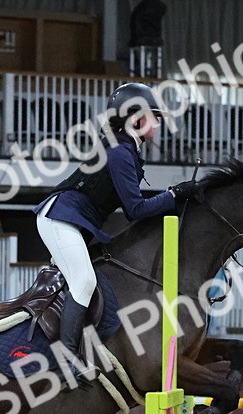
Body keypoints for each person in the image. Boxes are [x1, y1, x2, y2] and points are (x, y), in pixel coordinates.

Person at [34, 82, 200, 377]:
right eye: (154, 116)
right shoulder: (120, 152)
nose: (159, 123)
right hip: (59, 218)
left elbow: (135, 208)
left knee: (90, 279)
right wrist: (174, 195)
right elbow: (135, 209)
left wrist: (174, 200)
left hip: (74, 223)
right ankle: (67, 358)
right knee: (84, 281)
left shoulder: (127, 150)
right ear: (136, 118)